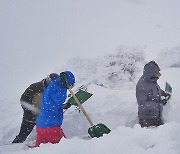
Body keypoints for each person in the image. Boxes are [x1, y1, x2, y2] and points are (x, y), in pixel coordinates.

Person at [12, 73, 71, 143]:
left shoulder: (50, 90)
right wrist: (30, 112)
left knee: (44, 134)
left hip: (43, 117)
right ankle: (13, 148)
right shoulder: (36, 88)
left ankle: (43, 148)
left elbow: (51, 103)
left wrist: (63, 106)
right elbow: (23, 100)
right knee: (22, 135)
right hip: (30, 117)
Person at [35, 71, 75, 147]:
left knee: (39, 150)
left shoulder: (52, 86)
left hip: (41, 125)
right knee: (63, 148)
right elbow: (60, 100)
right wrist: (63, 88)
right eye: (71, 85)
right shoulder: (58, 87)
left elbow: (52, 103)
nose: (70, 87)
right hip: (51, 127)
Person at [136, 61, 171, 127]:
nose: (159, 74)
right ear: (151, 73)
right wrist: (159, 103)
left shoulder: (152, 81)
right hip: (147, 120)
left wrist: (164, 94)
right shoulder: (141, 85)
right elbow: (142, 104)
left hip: (156, 117)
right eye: (157, 73)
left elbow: (157, 90)